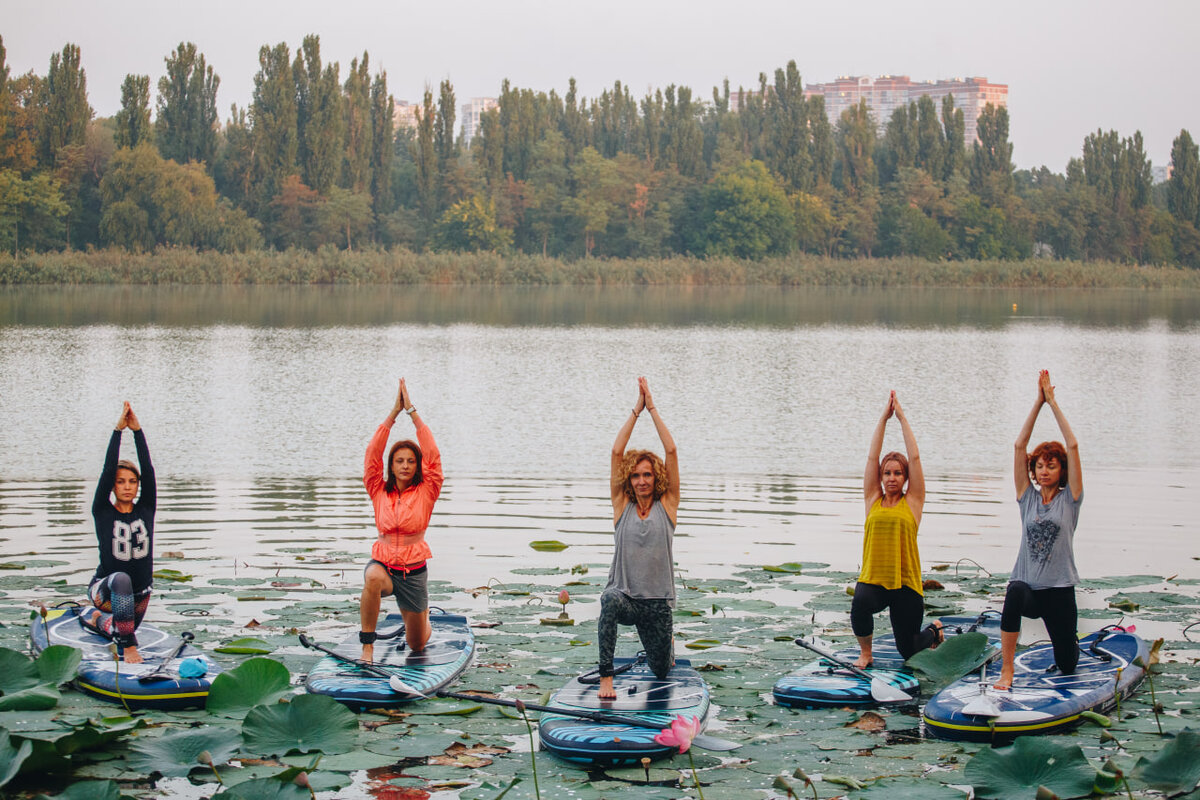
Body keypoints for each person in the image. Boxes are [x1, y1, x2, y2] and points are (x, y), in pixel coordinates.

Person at [994, 370, 1083, 690]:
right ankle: (1007, 671)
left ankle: (1068, 649)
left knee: (1067, 663)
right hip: (1030, 590)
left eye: (1051, 465)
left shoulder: (1070, 500)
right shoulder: (1027, 499)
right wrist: (1037, 402)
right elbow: (1019, 446)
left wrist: (1053, 403)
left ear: (1062, 470)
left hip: (1060, 592)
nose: (1044, 471)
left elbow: (1072, 445)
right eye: (1040, 466)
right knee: (1014, 590)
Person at [598, 377, 680, 699]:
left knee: (661, 669)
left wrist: (653, 408)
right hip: (627, 599)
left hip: (657, 605)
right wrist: (636, 410)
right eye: (636, 475)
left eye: (647, 474)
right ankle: (607, 678)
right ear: (628, 480)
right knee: (608, 600)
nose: (642, 480)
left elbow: (670, 450)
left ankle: (667, 645)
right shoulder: (622, 507)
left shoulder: (667, 507)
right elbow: (617, 451)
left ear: (655, 476)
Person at [851, 391, 941, 668]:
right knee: (860, 603)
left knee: (909, 652)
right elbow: (871, 457)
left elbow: (914, 458)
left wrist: (901, 418)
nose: (892, 478)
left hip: (906, 585)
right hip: (875, 581)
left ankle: (935, 630)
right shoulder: (872, 500)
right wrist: (883, 418)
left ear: (905, 478)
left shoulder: (912, 502)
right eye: (887, 473)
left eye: (898, 473)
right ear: (881, 476)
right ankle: (866, 653)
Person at [360, 378, 444, 662]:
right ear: (391, 465)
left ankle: (423, 619)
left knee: (417, 645)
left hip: (413, 573)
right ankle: (367, 646)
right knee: (371, 577)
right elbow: (372, 454)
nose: (405, 465)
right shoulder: (377, 488)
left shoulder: (427, 490)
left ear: (417, 465)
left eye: (410, 461)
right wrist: (392, 414)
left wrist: (412, 412)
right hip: (385, 567)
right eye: (399, 461)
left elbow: (433, 455)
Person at [85, 402, 156, 664]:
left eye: (132, 481)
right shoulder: (102, 510)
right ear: (113, 487)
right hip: (105, 591)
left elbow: (148, 471)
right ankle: (128, 647)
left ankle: (96, 621)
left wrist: (138, 432)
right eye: (120, 481)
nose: (127, 486)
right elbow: (106, 471)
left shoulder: (146, 508)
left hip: (139, 595)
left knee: (121, 627)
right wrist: (118, 431)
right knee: (122, 579)